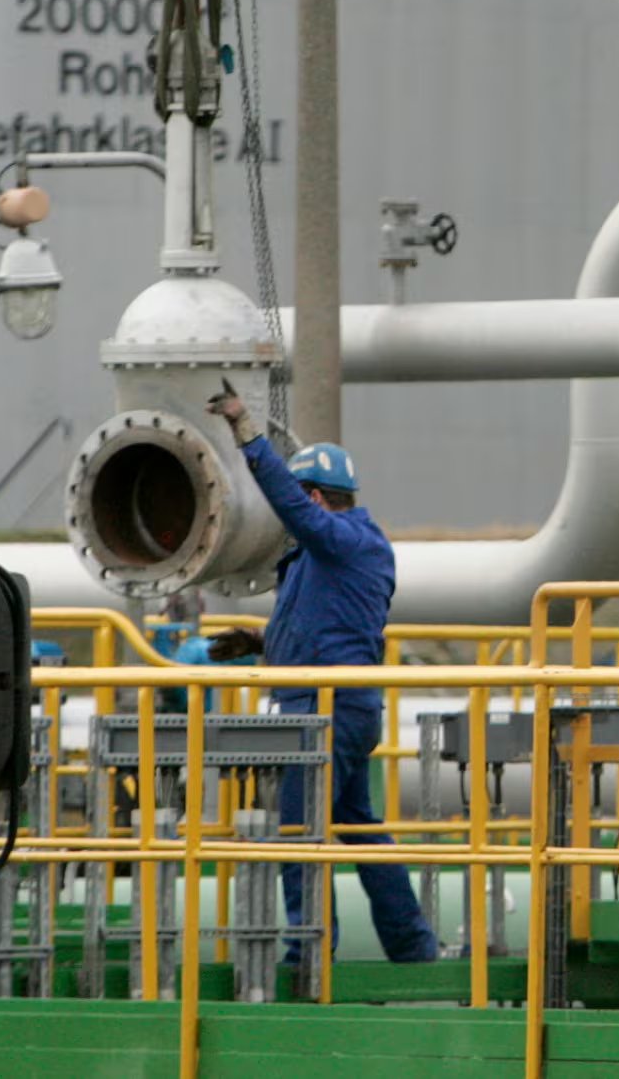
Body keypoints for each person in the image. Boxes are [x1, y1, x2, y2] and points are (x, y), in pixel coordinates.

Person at [204, 385, 439, 964]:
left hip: (323, 712)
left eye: (302, 506)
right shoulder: (331, 554)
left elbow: (293, 508)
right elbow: (329, 627)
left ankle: (307, 954)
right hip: (335, 706)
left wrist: (246, 431)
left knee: (299, 832)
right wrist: (261, 641)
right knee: (360, 830)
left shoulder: (347, 540)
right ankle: (412, 948)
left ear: (314, 497)